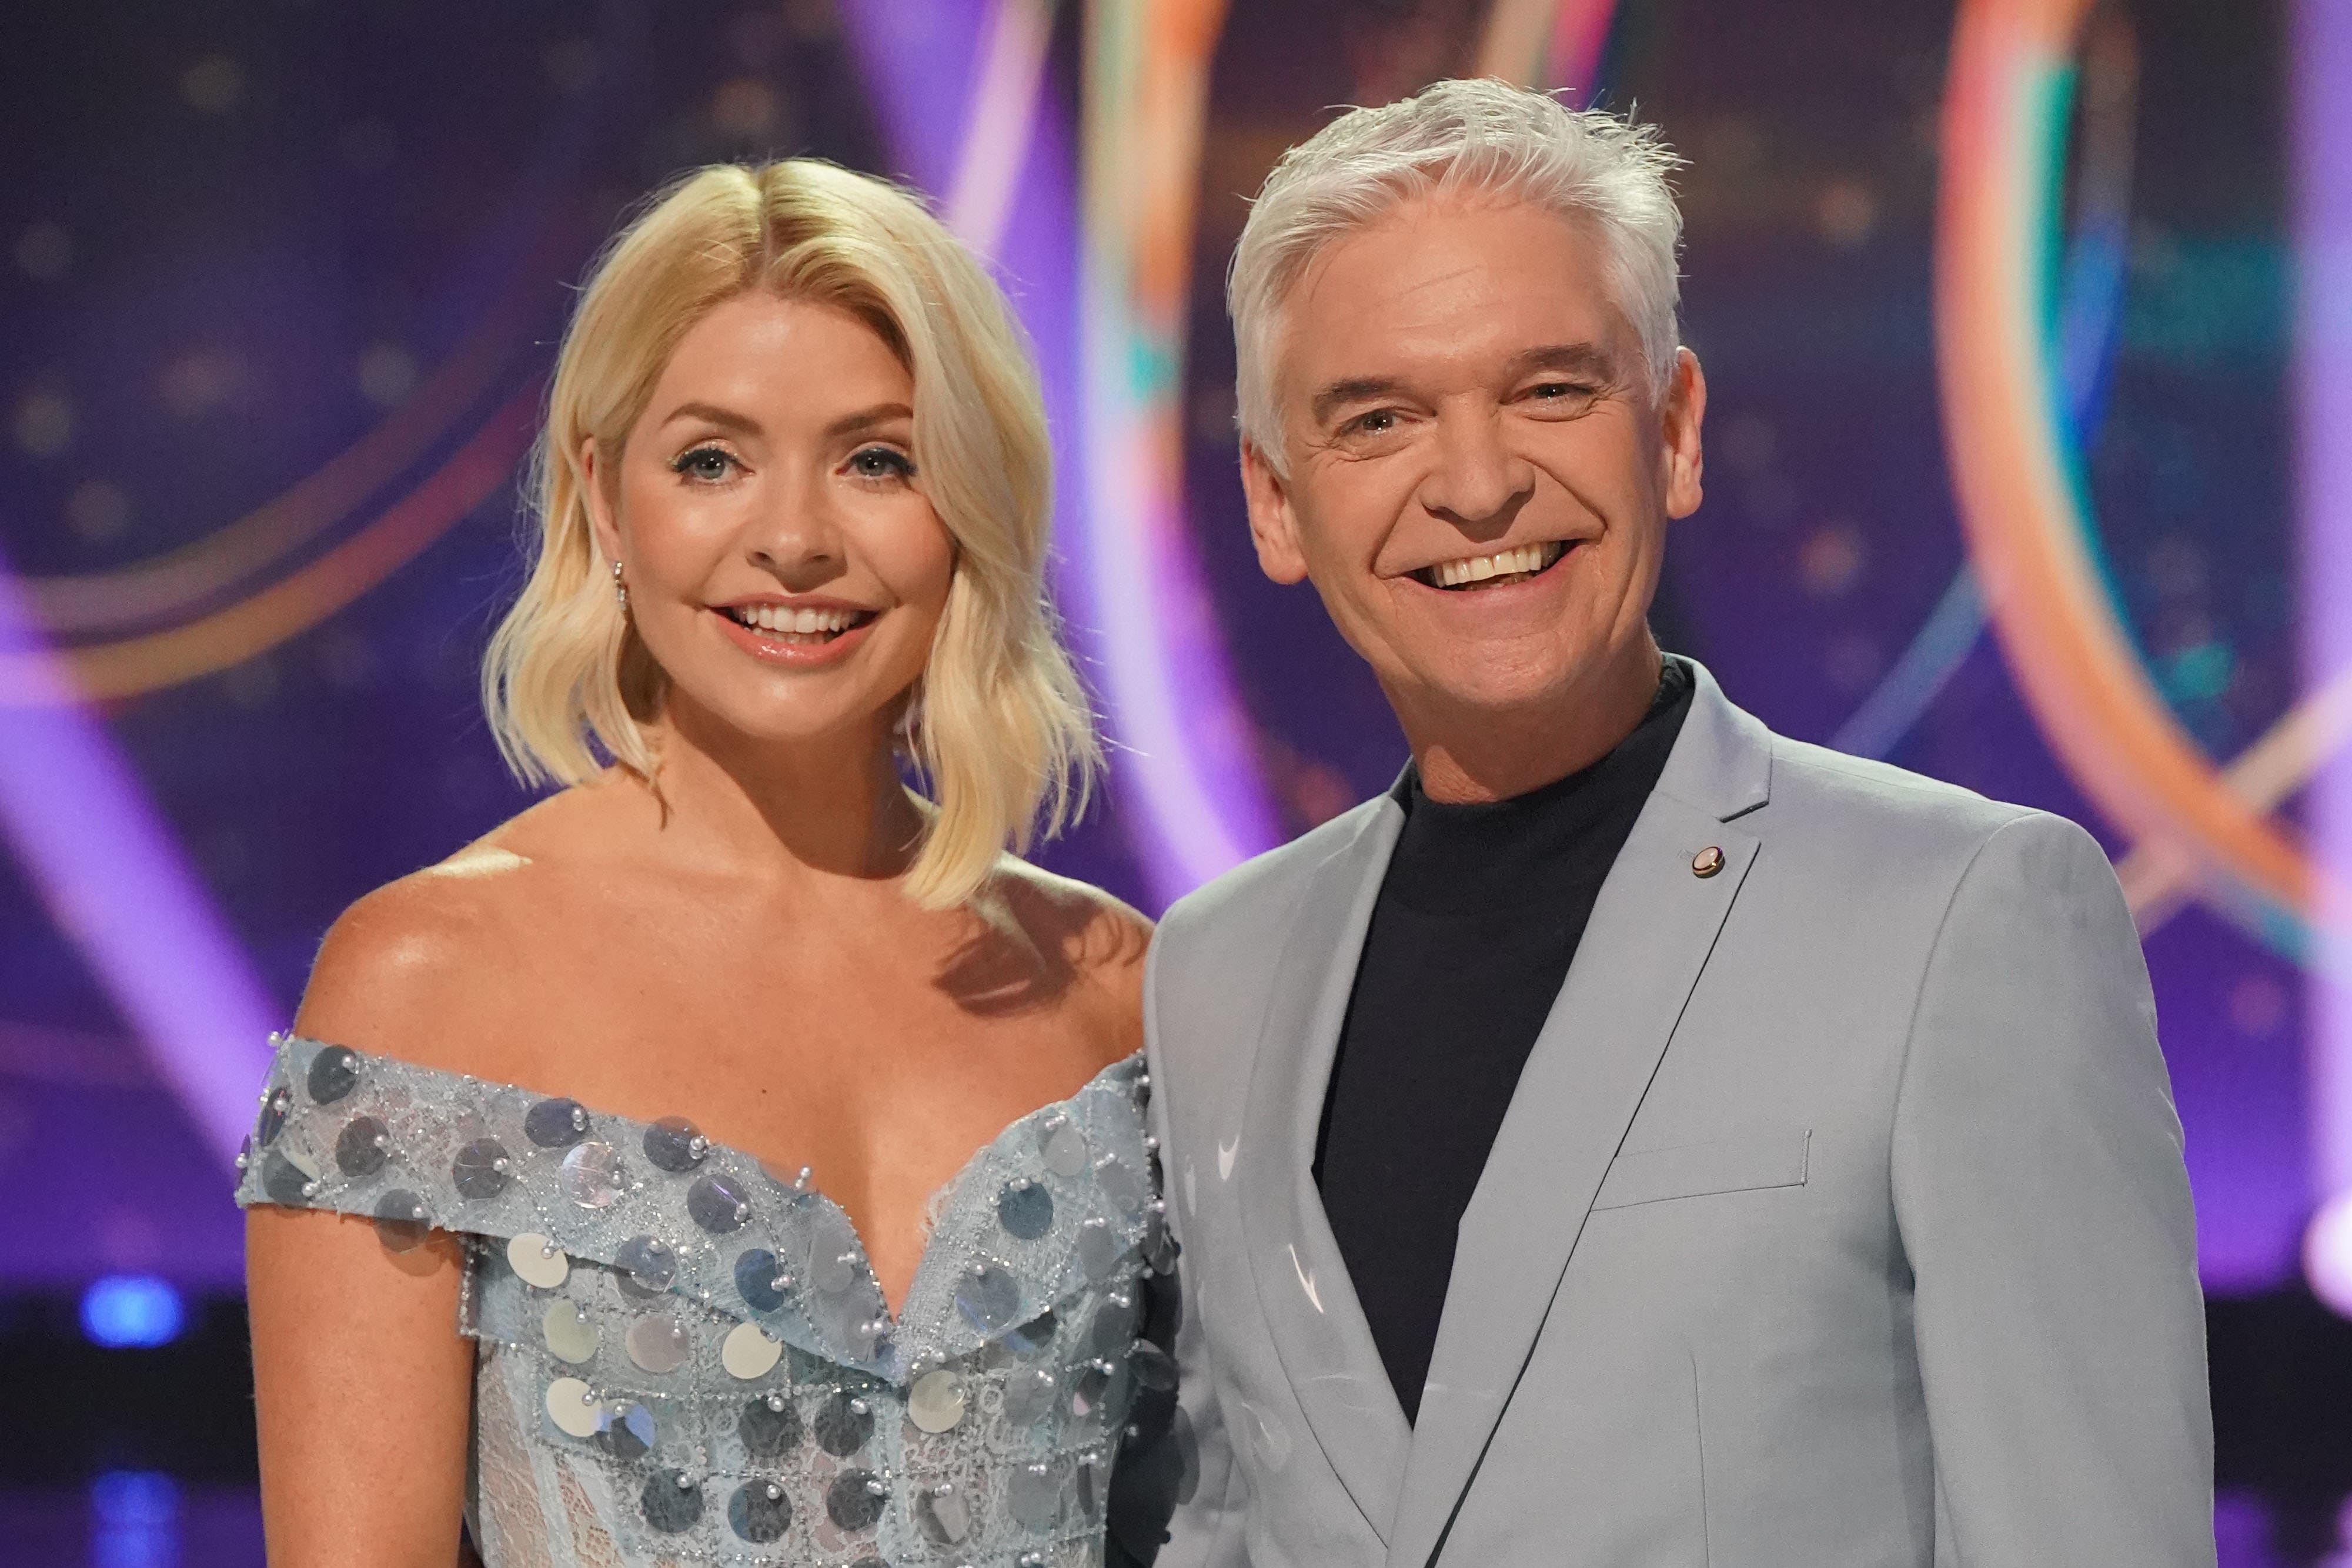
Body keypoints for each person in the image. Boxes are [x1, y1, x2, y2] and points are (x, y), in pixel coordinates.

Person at [1138, 79, 2214, 1566]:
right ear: (1273, 502)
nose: (1474, 482)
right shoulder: (1213, 968)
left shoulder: (1961, 914)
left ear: (1675, 430)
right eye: (1377, 417)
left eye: (1549, 388)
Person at [239, 159, 1167, 1567]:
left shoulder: (1110, 983)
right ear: (606, 503)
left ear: (967, 503)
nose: (792, 539)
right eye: (712, 460)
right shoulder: (426, 981)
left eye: (877, 459)